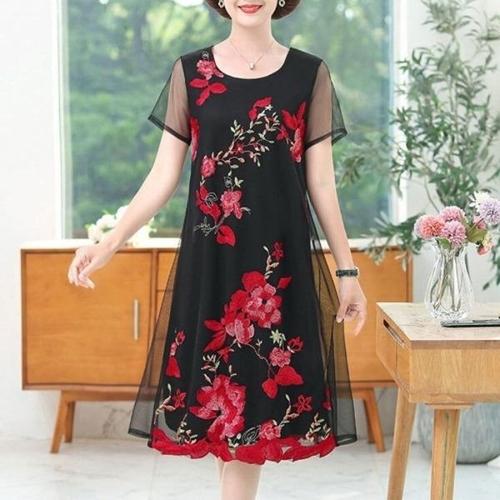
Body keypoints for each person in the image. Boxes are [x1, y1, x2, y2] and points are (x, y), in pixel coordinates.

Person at [67, 1, 368, 498]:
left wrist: (347, 272)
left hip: (275, 270)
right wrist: (109, 242)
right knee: (226, 420)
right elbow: (163, 175)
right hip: (211, 264)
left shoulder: (309, 74)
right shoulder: (190, 72)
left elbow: (322, 183)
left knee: (249, 420)